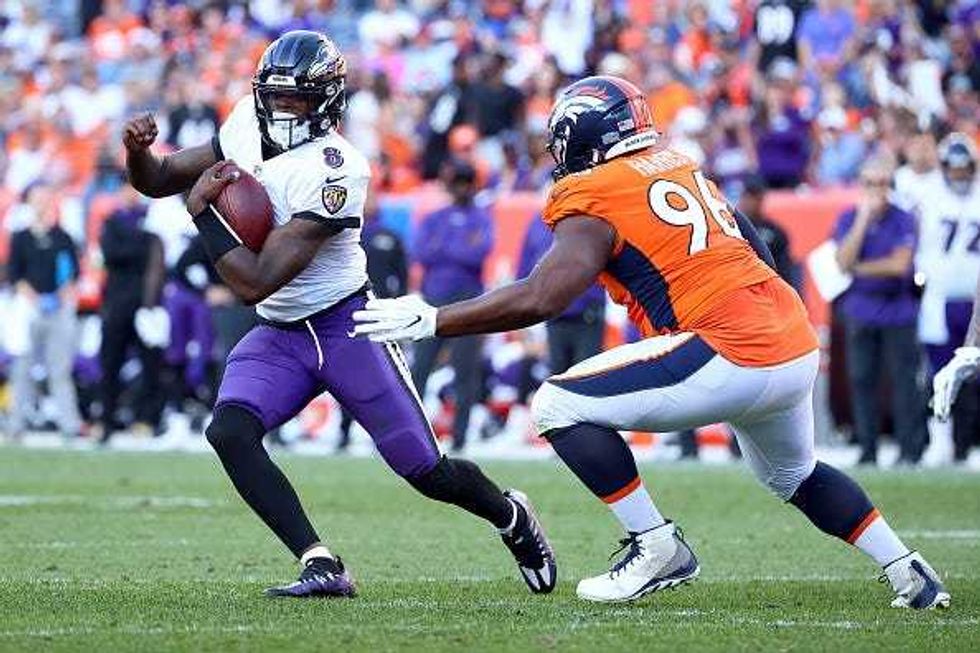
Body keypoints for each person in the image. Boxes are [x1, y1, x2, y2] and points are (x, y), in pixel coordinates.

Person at [353, 75, 949, 609]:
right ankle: (909, 569)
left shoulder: (595, 191)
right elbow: (754, 245)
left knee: (556, 405)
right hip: (790, 339)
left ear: (583, 140)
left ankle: (656, 544)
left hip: (728, 345)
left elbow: (543, 296)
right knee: (795, 474)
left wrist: (434, 319)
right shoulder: (679, 164)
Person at [120, 30, 554, 598]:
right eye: (275, 97)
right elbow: (159, 179)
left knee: (426, 470)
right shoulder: (245, 124)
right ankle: (319, 561)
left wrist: (202, 213)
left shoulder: (336, 167)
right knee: (229, 431)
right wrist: (137, 152)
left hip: (345, 326)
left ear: (326, 101)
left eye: (296, 99)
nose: (282, 110)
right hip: (281, 332)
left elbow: (255, 281)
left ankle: (510, 516)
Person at [833, 158, 928, 466]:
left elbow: (898, 265)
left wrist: (859, 268)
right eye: (870, 183)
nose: (877, 190)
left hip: (898, 309)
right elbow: (842, 261)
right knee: (862, 381)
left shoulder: (903, 218)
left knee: (904, 382)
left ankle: (909, 450)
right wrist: (863, 220)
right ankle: (867, 449)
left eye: (883, 183)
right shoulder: (850, 217)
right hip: (861, 309)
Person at [410, 159, 493, 451]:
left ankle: (460, 438)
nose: (461, 188)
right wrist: (458, 245)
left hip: (468, 301)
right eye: (457, 182)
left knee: (465, 371)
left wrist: (444, 246)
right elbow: (421, 252)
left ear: (472, 186)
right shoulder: (435, 217)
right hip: (434, 301)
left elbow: (478, 253)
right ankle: (412, 434)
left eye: (465, 182)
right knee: (420, 368)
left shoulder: (481, 218)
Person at [917, 133, 980, 462]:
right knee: (940, 371)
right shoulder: (929, 196)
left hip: (975, 301)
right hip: (939, 299)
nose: (959, 174)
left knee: (974, 373)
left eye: (964, 168)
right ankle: (940, 438)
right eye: (953, 168)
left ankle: (969, 444)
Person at [6, 182, 83, 439]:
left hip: (58, 308)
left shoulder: (63, 237)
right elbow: (15, 274)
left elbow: (72, 273)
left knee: (60, 370)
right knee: (21, 368)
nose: (41, 203)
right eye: (36, 198)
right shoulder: (20, 237)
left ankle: (69, 425)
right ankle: (15, 424)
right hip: (29, 308)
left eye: (45, 198)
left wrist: (59, 296)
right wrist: (35, 298)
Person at [337, 190, 408, 451]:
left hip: (381, 312)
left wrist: (399, 308)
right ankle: (343, 431)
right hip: (349, 312)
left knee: (386, 375)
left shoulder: (390, 236)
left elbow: (402, 276)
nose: (371, 202)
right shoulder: (344, 235)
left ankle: (389, 433)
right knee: (346, 375)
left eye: (375, 198)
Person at [97, 184, 167, 443]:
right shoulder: (113, 222)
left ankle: (146, 419)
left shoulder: (150, 218)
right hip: (117, 303)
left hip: (145, 304)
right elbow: (110, 254)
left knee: (151, 364)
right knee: (110, 363)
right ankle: (107, 420)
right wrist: (140, 244)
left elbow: (158, 257)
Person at [517, 215, 605, 376]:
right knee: (557, 380)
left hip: (588, 317)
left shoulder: (590, 217)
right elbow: (524, 274)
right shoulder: (537, 224)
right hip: (554, 318)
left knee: (585, 379)